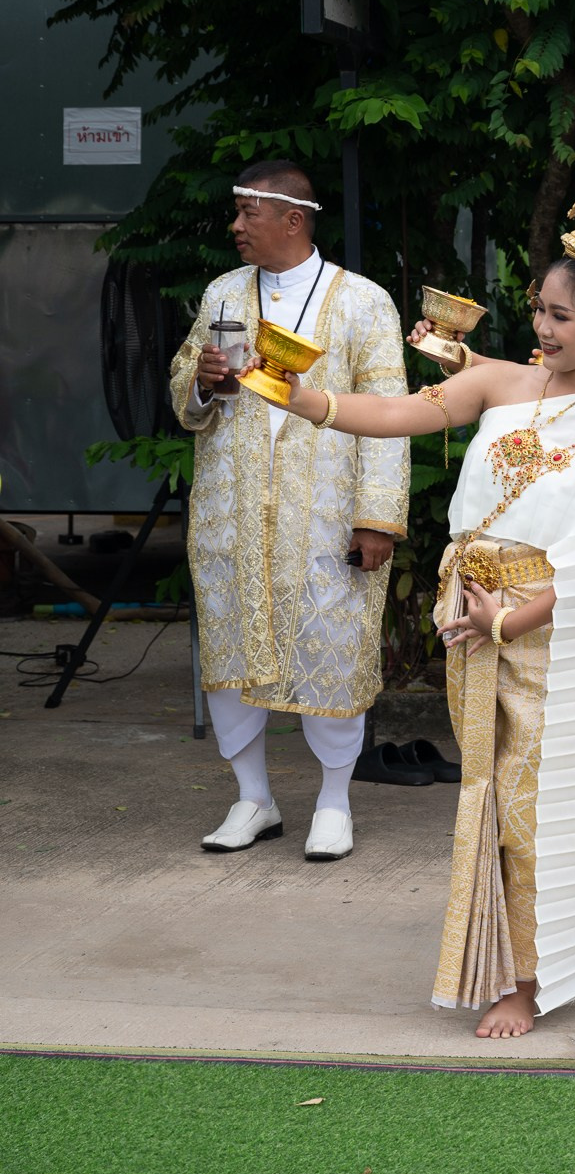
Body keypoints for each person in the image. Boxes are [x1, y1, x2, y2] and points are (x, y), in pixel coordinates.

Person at [252, 168, 575, 1038]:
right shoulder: (504, 383)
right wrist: (304, 397)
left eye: (563, 316)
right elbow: (400, 412)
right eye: (540, 309)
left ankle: (537, 975)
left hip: (549, 638)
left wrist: (508, 619)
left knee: (537, 805)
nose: (544, 328)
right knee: (496, 798)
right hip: (474, 623)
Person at [170, 161, 410, 861]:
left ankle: (334, 802)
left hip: (326, 514)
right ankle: (253, 797)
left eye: (248, 213)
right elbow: (185, 392)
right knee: (232, 652)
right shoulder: (223, 292)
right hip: (233, 511)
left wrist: (377, 517)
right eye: (237, 212)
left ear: (293, 220)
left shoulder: (364, 302)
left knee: (331, 648)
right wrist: (201, 382)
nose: (236, 226)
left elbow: (390, 415)